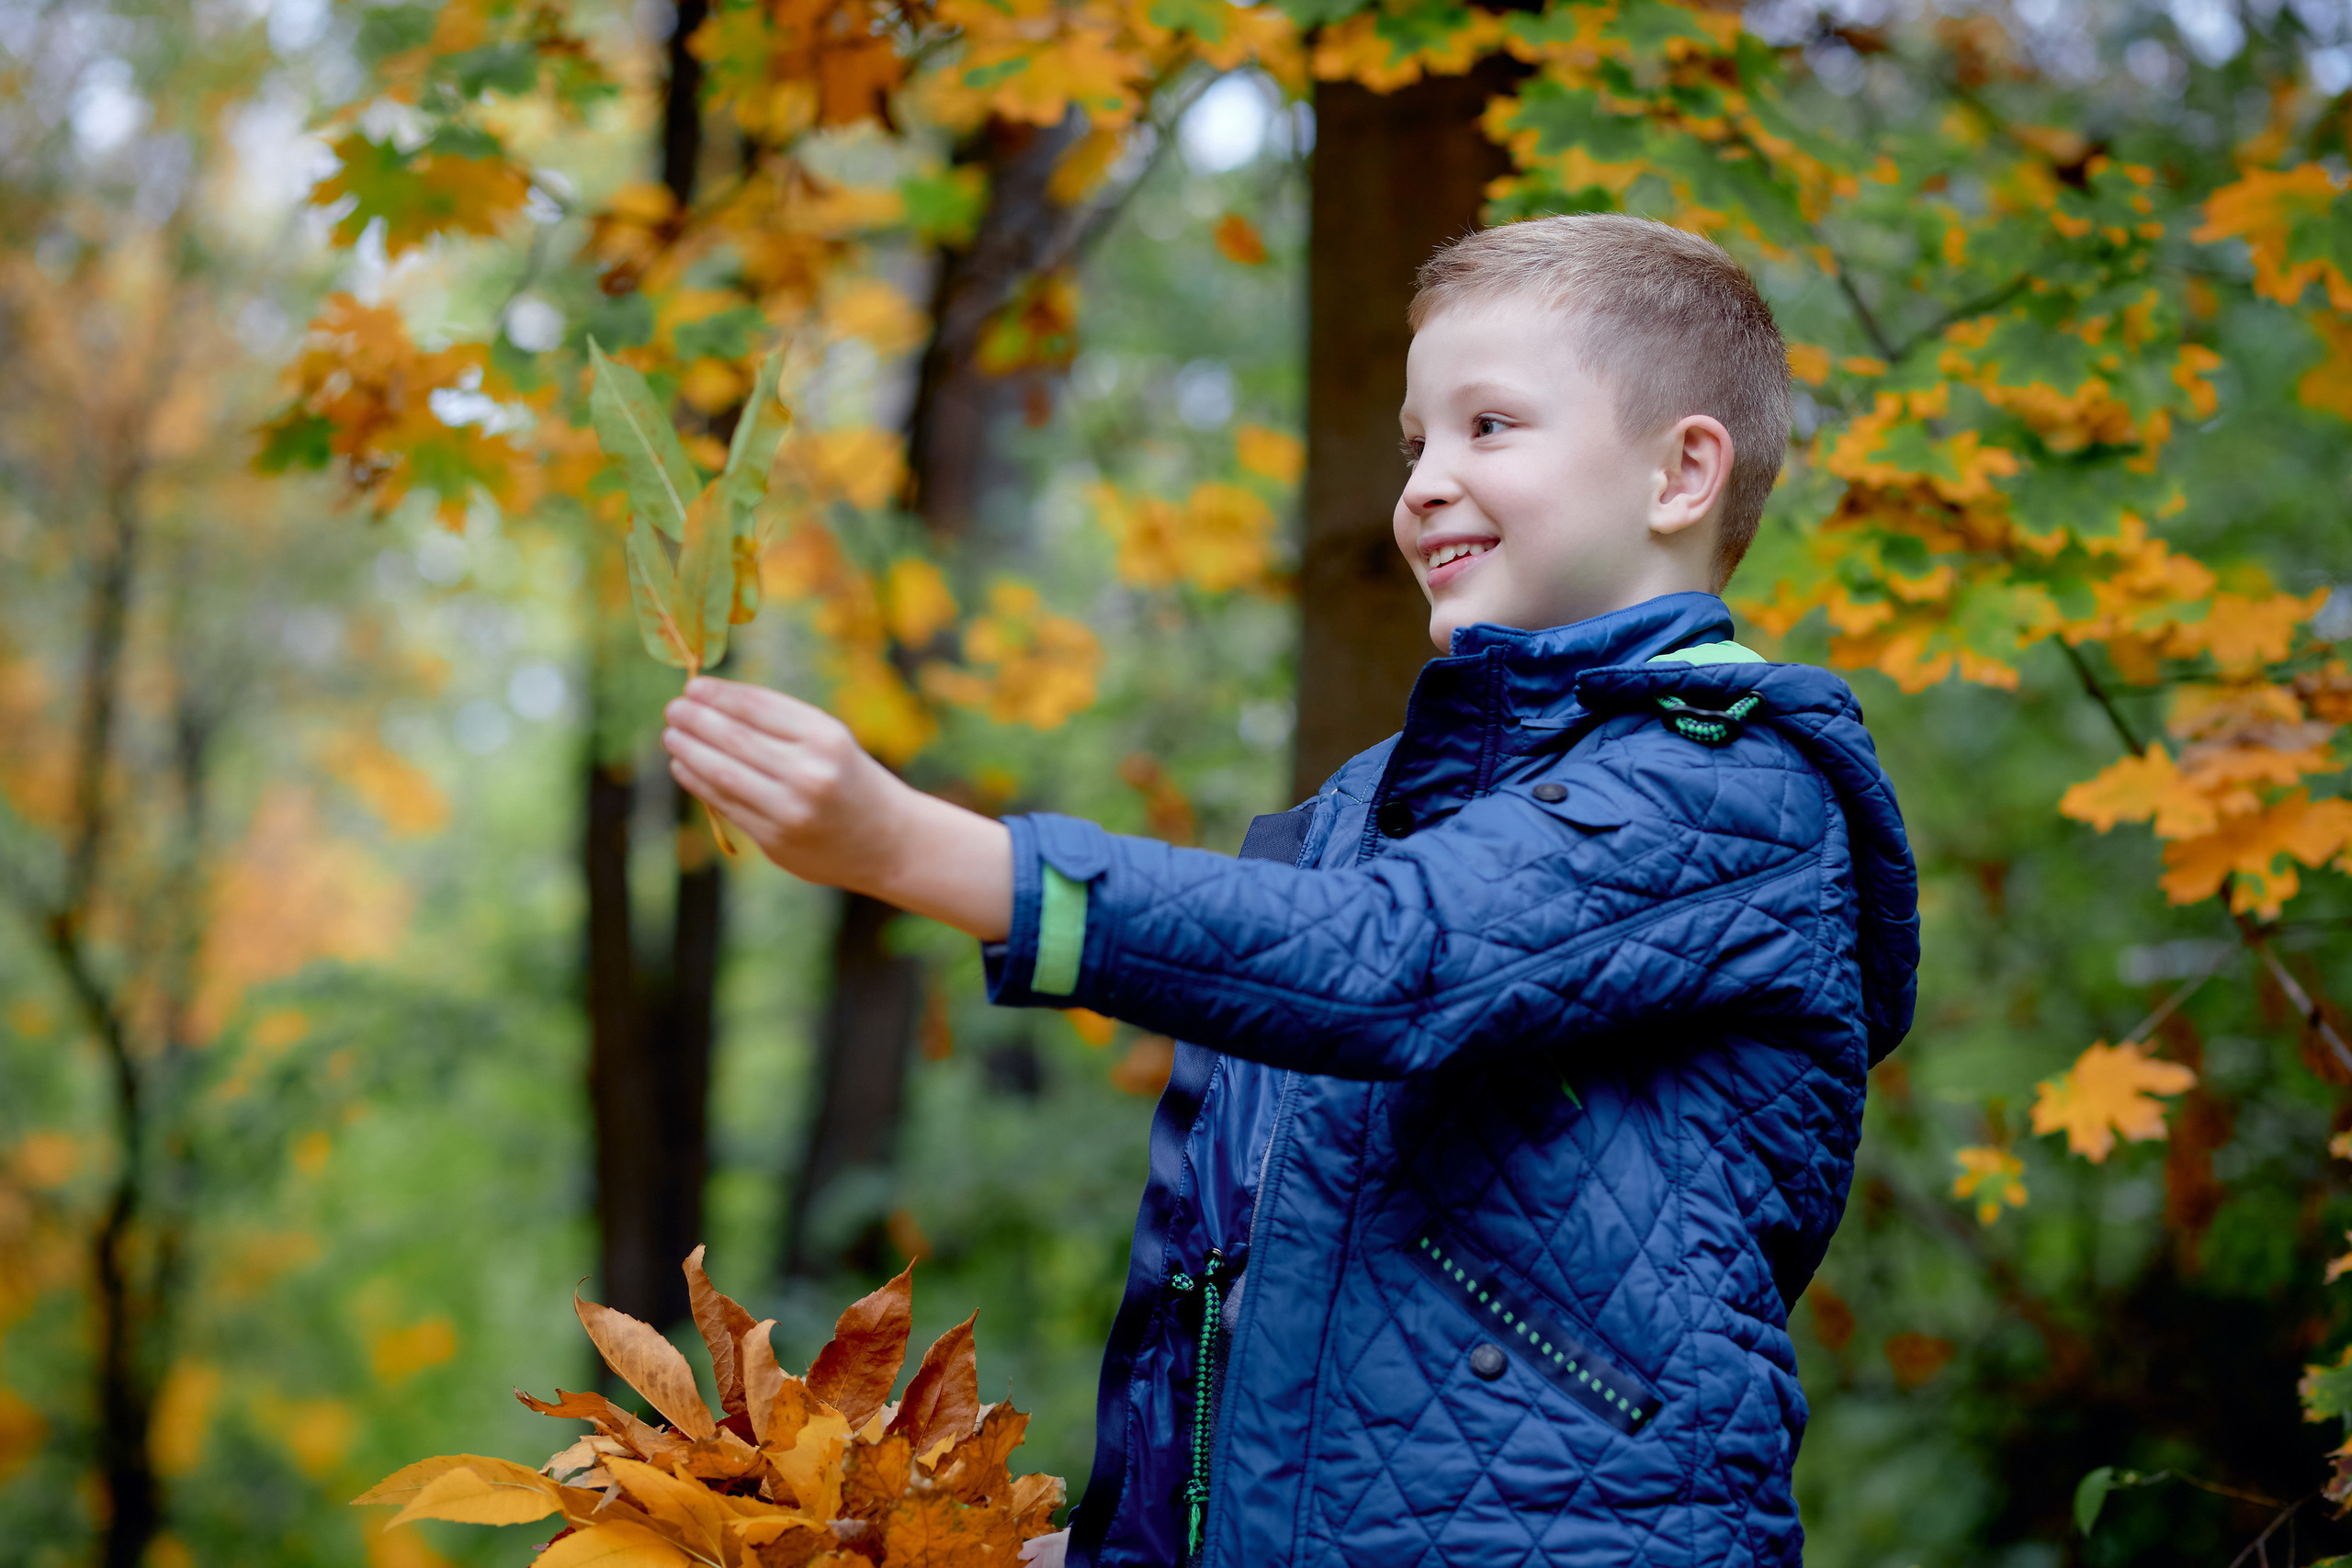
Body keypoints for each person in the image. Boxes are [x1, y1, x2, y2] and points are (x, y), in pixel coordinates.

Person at [661, 212, 1919, 1568]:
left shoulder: (1741, 789)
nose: (1427, 482)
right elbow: (1224, 1281)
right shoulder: (1351, 817)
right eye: (1413, 444)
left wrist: (913, 851)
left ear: (1682, 473)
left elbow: (1393, 966)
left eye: (1489, 427)